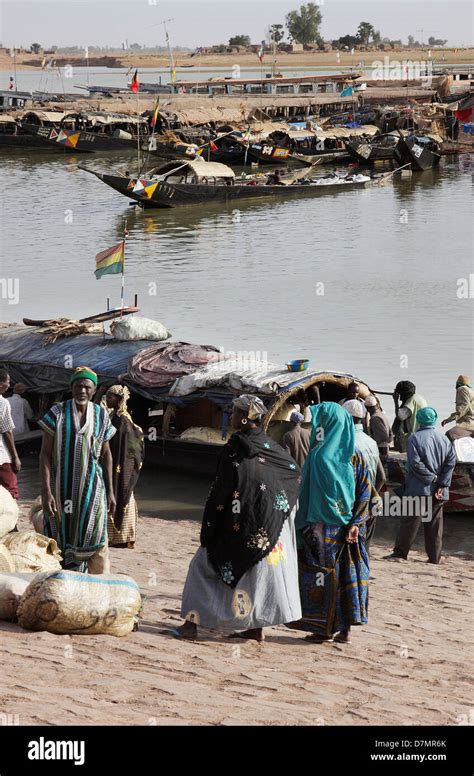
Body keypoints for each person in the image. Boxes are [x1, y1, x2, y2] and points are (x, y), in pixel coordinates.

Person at [167, 394, 301, 642]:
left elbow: (223, 489)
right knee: (255, 578)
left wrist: (211, 526)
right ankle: (254, 628)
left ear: (247, 417)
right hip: (269, 528)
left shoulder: (237, 447)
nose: (231, 416)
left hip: (247, 526)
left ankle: (190, 625)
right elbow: (293, 472)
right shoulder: (269, 444)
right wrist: (278, 510)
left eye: (236, 412)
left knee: (201, 567)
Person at [291, 402, 371, 644]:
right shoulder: (354, 455)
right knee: (344, 576)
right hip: (346, 529)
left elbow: (303, 490)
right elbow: (367, 491)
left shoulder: (319, 455)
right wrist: (357, 522)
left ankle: (324, 628)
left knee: (324, 577)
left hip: (322, 528)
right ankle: (342, 628)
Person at [39, 366, 116, 574]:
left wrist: (110, 490)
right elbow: (45, 454)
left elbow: (106, 454)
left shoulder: (101, 415)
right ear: (71, 387)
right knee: (60, 536)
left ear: (94, 390)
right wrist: (46, 491)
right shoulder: (57, 413)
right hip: (60, 488)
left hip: (92, 488)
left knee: (96, 533)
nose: (82, 390)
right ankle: (63, 579)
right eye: (78, 386)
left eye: (87, 387)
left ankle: (98, 583)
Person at [386, 407, 457, 564]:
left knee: (410, 523)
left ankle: (400, 554)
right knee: (435, 526)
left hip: (419, 488)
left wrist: (432, 479)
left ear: (419, 420)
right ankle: (434, 558)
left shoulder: (414, 438)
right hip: (439, 491)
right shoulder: (445, 439)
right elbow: (451, 463)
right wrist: (441, 484)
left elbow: (416, 465)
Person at [102, 385, 144, 549]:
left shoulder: (124, 421)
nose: (107, 400)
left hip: (120, 465)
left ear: (119, 400)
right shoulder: (114, 416)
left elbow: (128, 447)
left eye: (111, 397)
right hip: (112, 462)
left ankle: (121, 537)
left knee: (123, 494)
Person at [0, 368, 21, 499]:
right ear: (2, 384)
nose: (9, 385)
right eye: (8, 381)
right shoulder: (2, 402)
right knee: (10, 492)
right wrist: (15, 457)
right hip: (2, 458)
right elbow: (7, 431)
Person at [392, 381, 427, 452]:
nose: (400, 397)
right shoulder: (418, 397)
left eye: (400, 394)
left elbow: (401, 416)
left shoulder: (411, 401)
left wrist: (395, 401)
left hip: (412, 436)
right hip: (421, 434)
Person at [441, 375, 474, 442]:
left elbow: (464, 407)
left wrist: (449, 419)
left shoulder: (462, 389)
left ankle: (451, 452)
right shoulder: (471, 391)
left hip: (467, 424)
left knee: (449, 435)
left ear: (458, 383)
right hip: (472, 422)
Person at [365, 395, 393, 459]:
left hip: (381, 449)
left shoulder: (375, 418)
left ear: (367, 408)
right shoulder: (381, 414)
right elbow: (390, 433)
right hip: (385, 447)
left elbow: (383, 437)